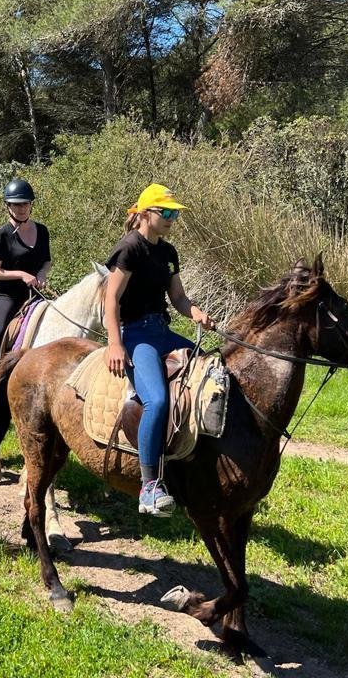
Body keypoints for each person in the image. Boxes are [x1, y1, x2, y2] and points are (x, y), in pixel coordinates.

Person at [103, 183, 215, 517]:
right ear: (146, 213)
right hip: (135, 333)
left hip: (162, 331)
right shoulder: (129, 248)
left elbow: (177, 298)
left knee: (211, 366)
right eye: (166, 212)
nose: (171, 219)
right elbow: (111, 299)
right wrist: (114, 343)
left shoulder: (168, 253)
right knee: (157, 400)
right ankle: (149, 487)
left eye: (174, 214)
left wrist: (194, 312)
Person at [0, 177, 51, 402]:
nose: (22, 208)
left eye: (25, 203)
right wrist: (21, 274)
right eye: (16, 204)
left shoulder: (42, 230)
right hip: (7, 294)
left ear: (31, 205)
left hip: (33, 293)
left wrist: (40, 275)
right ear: (8, 206)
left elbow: (46, 261)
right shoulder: (0, 235)